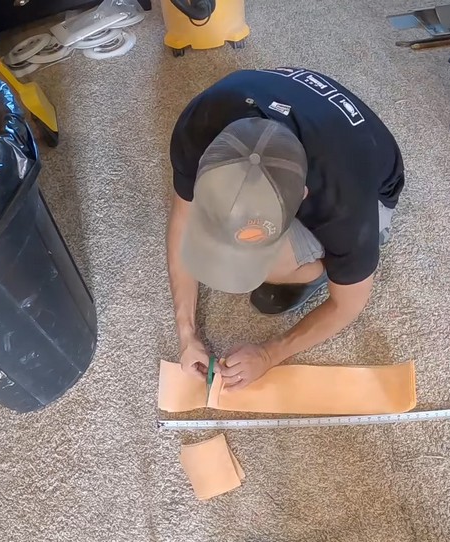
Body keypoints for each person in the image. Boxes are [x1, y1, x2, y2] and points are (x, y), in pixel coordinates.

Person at [166, 67, 404, 389]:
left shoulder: (344, 201)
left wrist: (269, 354)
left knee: (278, 269)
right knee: (210, 228)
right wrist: (186, 333)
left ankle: (318, 270)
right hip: (300, 114)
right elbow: (183, 218)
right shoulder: (200, 123)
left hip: (371, 181)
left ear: (301, 198)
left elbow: (348, 304)